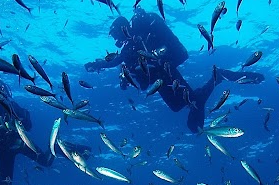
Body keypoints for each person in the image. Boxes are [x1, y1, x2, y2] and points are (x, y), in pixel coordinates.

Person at [84, 8, 264, 132]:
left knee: (192, 107)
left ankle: (219, 77)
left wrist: (102, 66)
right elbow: (117, 62)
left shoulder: (140, 40)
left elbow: (119, 61)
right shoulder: (129, 48)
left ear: (123, 29)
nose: (116, 39)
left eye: (116, 34)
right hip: (160, 79)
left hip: (167, 74)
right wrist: (101, 66)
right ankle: (217, 78)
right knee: (180, 106)